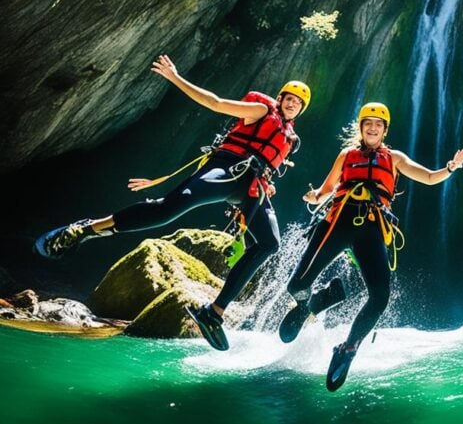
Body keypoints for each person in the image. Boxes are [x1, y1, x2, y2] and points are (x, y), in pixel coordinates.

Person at [34, 54, 310, 351]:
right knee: (168, 209)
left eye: (298, 102)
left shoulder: (290, 138)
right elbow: (216, 103)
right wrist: (175, 77)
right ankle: (86, 229)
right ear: (280, 98)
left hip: (254, 188)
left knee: (269, 244)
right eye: (289, 98)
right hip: (229, 170)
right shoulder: (259, 110)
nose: (292, 103)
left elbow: (268, 162)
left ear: (301, 110)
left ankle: (213, 313)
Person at [277, 102, 463, 391]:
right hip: (337, 221)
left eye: (378, 124)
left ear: (384, 130)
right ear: (361, 127)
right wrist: (314, 197)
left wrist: (451, 167)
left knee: (380, 296)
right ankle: (313, 303)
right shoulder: (347, 155)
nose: (373, 127)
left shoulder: (394, 158)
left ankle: (348, 348)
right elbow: (326, 190)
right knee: (296, 287)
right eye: (368, 123)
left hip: (371, 226)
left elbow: (429, 177)